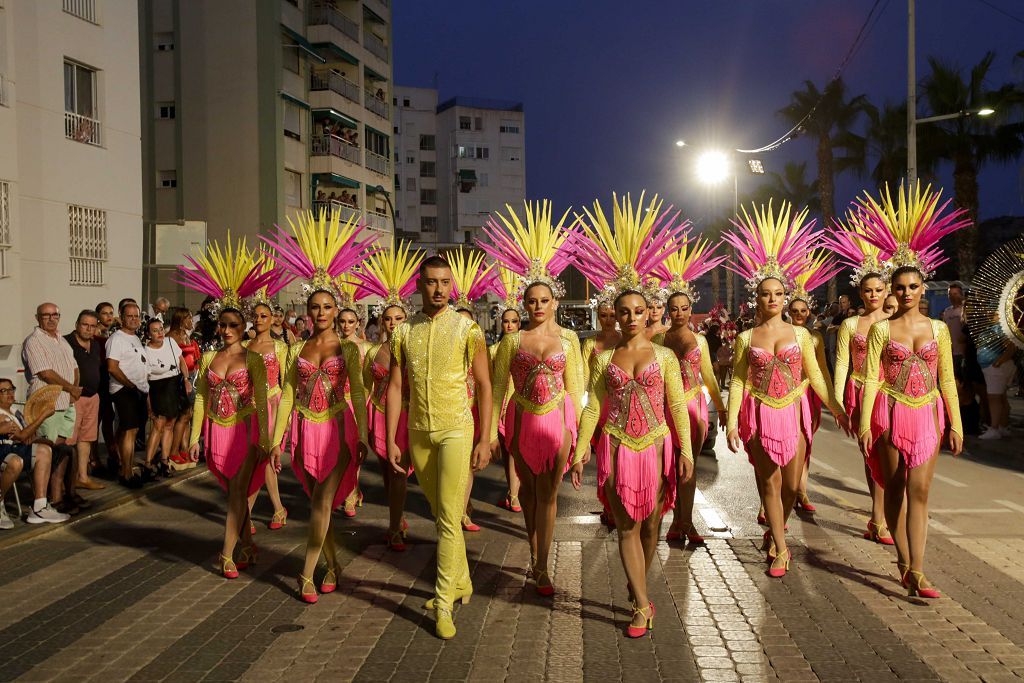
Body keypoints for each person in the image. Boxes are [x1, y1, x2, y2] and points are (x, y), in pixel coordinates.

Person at [569, 191, 693, 638]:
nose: (632, 316)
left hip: (656, 447)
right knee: (626, 527)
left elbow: (676, 405)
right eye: (624, 311)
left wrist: (686, 452)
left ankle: (637, 582)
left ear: (648, 313)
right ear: (615, 316)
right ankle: (642, 604)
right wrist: (581, 448)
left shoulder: (664, 358)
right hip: (618, 448)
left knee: (650, 528)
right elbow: (594, 406)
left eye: (639, 310)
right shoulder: (604, 360)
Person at [856, 182, 969, 599]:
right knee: (896, 486)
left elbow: (947, 380)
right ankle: (903, 560)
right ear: (891, 290)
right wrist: (867, 420)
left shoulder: (938, 329)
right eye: (899, 287)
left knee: (920, 491)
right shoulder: (882, 330)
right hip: (890, 412)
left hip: (927, 414)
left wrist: (955, 423)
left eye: (912, 287)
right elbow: (871, 378)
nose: (905, 293)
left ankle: (917, 570)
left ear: (924, 289)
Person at [723, 201, 847, 578]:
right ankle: (780, 546)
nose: (772, 299)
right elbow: (740, 380)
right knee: (770, 484)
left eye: (778, 293)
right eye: (765, 294)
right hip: (759, 414)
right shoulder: (746, 338)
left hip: (792, 413)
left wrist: (836, 407)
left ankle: (778, 530)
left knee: (792, 485)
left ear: (785, 296)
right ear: (756, 299)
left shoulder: (802, 335)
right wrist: (731, 423)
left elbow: (814, 376)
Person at [264, 208, 372, 604]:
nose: (322, 313)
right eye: (315, 308)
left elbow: (357, 393)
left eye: (328, 307)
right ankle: (332, 564)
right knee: (316, 504)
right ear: (308, 312)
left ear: (337, 311)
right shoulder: (296, 349)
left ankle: (306, 573)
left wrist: (361, 434)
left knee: (324, 501)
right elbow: (289, 394)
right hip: (305, 431)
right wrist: (277, 440)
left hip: (338, 430)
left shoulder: (348, 348)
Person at [386, 254, 492, 639]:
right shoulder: (403, 332)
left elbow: (484, 385)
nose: (439, 289)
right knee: (440, 513)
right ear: (419, 285)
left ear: (453, 285)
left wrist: (486, 436)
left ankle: (443, 600)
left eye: (445, 282)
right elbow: (396, 387)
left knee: (448, 516)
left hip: (456, 429)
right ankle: (461, 581)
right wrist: (391, 436)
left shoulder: (468, 329)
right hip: (418, 432)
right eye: (431, 282)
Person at [481, 200, 583, 596]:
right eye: (531, 302)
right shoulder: (512, 339)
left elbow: (576, 389)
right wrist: (492, 432)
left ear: (555, 301)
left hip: (557, 422)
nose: (537, 307)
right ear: (524, 305)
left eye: (544, 301)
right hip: (522, 421)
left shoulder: (570, 339)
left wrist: (582, 440)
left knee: (549, 493)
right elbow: (499, 386)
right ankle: (534, 552)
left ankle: (542, 564)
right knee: (526, 491)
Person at [179, 237, 283, 579]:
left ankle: (225, 553)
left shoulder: (253, 357)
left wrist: (269, 440)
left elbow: (263, 400)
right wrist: (195, 437)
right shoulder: (208, 358)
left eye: (233, 326)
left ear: (244, 328)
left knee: (238, 492)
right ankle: (248, 546)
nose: (225, 330)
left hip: (246, 430)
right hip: (216, 432)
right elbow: (200, 400)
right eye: (222, 325)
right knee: (235, 494)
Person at [824, 216, 897, 544]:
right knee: (871, 453)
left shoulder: (897, 322)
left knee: (891, 453)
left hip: (891, 393)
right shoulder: (851, 325)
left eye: (878, 290)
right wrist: (838, 401)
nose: (873, 295)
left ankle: (886, 514)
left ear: (886, 290)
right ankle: (878, 516)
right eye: (867, 290)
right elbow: (841, 364)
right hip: (860, 391)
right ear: (860, 292)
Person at [652, 237, 727, 543]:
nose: (680, 313)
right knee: (666, 468)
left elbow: (708, 374)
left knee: (689, 466)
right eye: (674, 308)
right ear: (668, 310)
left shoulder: (701, 341)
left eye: (684, 308)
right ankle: (672, 521)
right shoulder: (658, 341)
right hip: (667, 409)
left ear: (690, 308)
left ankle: (686, 522)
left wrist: (720, 408)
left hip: (694, 407)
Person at [355, 241, 423, 550]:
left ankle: (394, 527)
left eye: (398, 318)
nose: (392, 323)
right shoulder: (373, 352)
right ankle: (397, 518)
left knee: (399, 474)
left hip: (406, 416)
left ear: (405, 320)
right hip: (378, 415)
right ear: (381, 321)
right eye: (388, 319)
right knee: (386, 473)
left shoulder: (415, 351)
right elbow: (367, 386)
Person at [447, 247, 495, 534]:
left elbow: (487, 386)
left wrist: (489, 435)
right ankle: (456, 509)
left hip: (473, 411)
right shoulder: (444, 350)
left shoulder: (481, 350)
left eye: (469, 321)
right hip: (449, 410)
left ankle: (462, 510)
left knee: (467, 466)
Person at [785, 257, 838, 516]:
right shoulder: (781, 336)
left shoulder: (815, 337)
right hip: (783, 397)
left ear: (810, 312)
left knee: (805, 442)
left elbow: (822, 372)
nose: (799, 316)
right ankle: (774, 497)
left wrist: (832, 402)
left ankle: (801, 490)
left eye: (803, 311)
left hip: (809, 396)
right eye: (794, 312)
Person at [21, 302, 79, 511]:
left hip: (66, 401)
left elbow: (74, 366)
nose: (51, 318)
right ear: (37, 318)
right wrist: (71, 387)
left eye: (55, 314)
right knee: (47, 451)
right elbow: (45, 373)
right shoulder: (34, 341)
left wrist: (73, 392)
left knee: (62, 452)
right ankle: (42, 500)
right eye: (46, 315)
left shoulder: (61, 340)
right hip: (48, 403)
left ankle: (58, 496)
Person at [0, 377, 70, 527]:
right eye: (4, 391)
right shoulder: (1, 414)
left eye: (11, 389)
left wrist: (40, 439)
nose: (10, 393)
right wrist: (43, 415)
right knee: (15, 461)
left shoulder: (15, 411)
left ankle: (40, 506)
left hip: (15, 448)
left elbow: (26, 436)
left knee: (46, 450)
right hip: (4, 451)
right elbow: (22, 435)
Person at [245, 298, 290, 532]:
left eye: (264, 316)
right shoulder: (244, 346)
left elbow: (287, 383)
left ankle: (246, 514)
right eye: (256, 315)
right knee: (253, 460)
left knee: (265, 458)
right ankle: (278, 508)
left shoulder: (280, 347)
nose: (259, 319)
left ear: (272, 319)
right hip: (248, 409)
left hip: (272, 407)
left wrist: (287, 415)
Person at [106, 302, 149, 487]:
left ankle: (125, 465)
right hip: (125, 389)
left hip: (138, 389)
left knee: (130, 431)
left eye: (136, 316)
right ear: (122, 317)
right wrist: (130, 385)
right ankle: (126, 474)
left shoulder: (135, 338)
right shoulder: (117, 339)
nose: (133, 319)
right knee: (130, 431)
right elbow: (112, 367)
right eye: (129, 316)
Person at [64, 310, 105, 491]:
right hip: (73, 398)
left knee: (86, 439)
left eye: (92, 326)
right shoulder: (66, 343)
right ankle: (66, 481)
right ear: (76, 324)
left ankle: (82, 476)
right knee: (69, 441)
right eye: (85, 325)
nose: (88, 329)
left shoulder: (95, 345)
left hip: (92, 397)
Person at [142, 318, 188, 479]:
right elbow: (145, 379)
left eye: (161, 329)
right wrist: (148, 404)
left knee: (170, 424)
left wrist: (187, 380)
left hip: (174, 385)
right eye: (155, 330)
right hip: (157, 388)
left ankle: (164, 461)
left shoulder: (170, 342)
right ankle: (147, 464)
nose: (160, 333)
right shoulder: (145, 351)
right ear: (148, 334)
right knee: (158, 425)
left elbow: (182, 361)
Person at [167, 308, 201, 470]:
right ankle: (173, 451)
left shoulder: (187, 335)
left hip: (192, 376)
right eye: (188, 318)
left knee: (188, 416)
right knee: (183, 414)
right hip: (180, 379)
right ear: (181, 320)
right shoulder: (171, 337)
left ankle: (184, 448)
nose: (191, 321)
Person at [977, 312, 1016, 440]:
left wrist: (998, 362)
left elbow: (1011, 346)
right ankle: (1002, 426)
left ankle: (994, 428)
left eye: (994, 313)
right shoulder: (995, 327)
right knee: (1001, 398)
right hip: (993, 367)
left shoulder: (1003, 329)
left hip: (996, 367)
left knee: (994, 398)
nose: (990, 315)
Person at [942, 282, 967, 377]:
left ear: (961, 295)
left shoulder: (965, 310)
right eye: (950, 294)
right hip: (950, 352)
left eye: (955, 294)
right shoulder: (947, 311)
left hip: (963, 352)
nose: (952, 297)